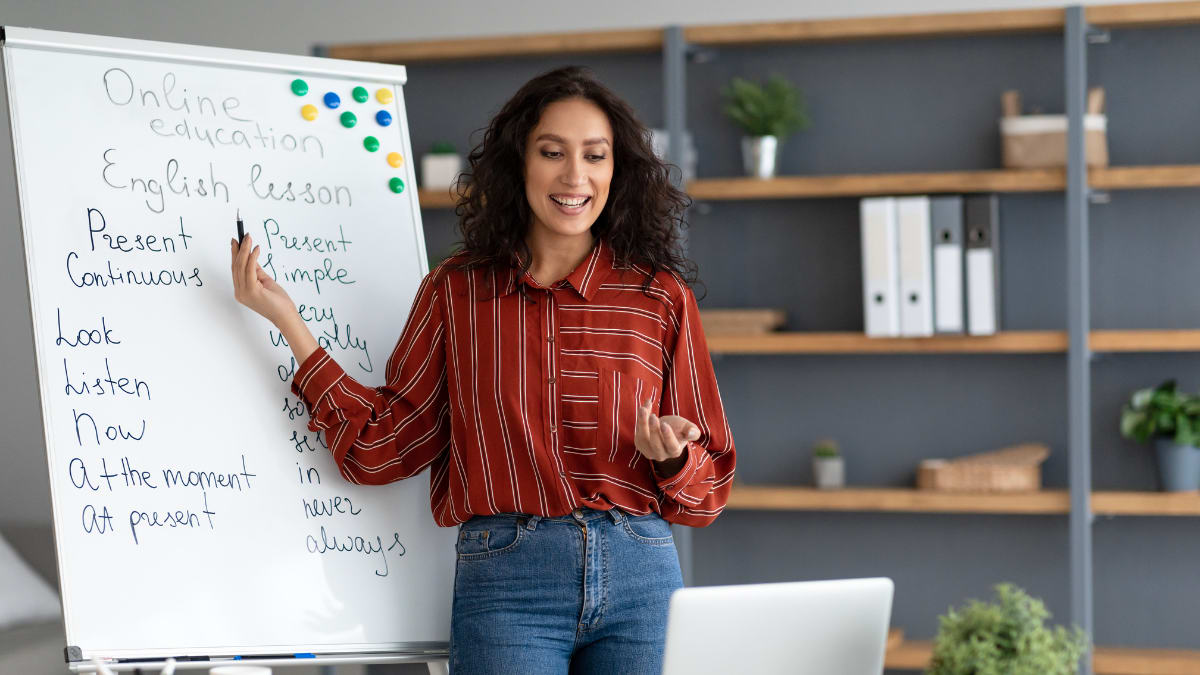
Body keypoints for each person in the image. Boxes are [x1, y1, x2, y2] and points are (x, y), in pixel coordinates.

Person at [230, 65, 735, 674]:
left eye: (595, 156)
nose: (575, 176)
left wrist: (674, 458)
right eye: (552, 152)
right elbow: (383, 446)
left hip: (642, 574)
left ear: (616, 171)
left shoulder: (658, 296)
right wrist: (289, 323)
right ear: (518, 164)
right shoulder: (456, 291)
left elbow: (709, 491)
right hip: (508, 582)